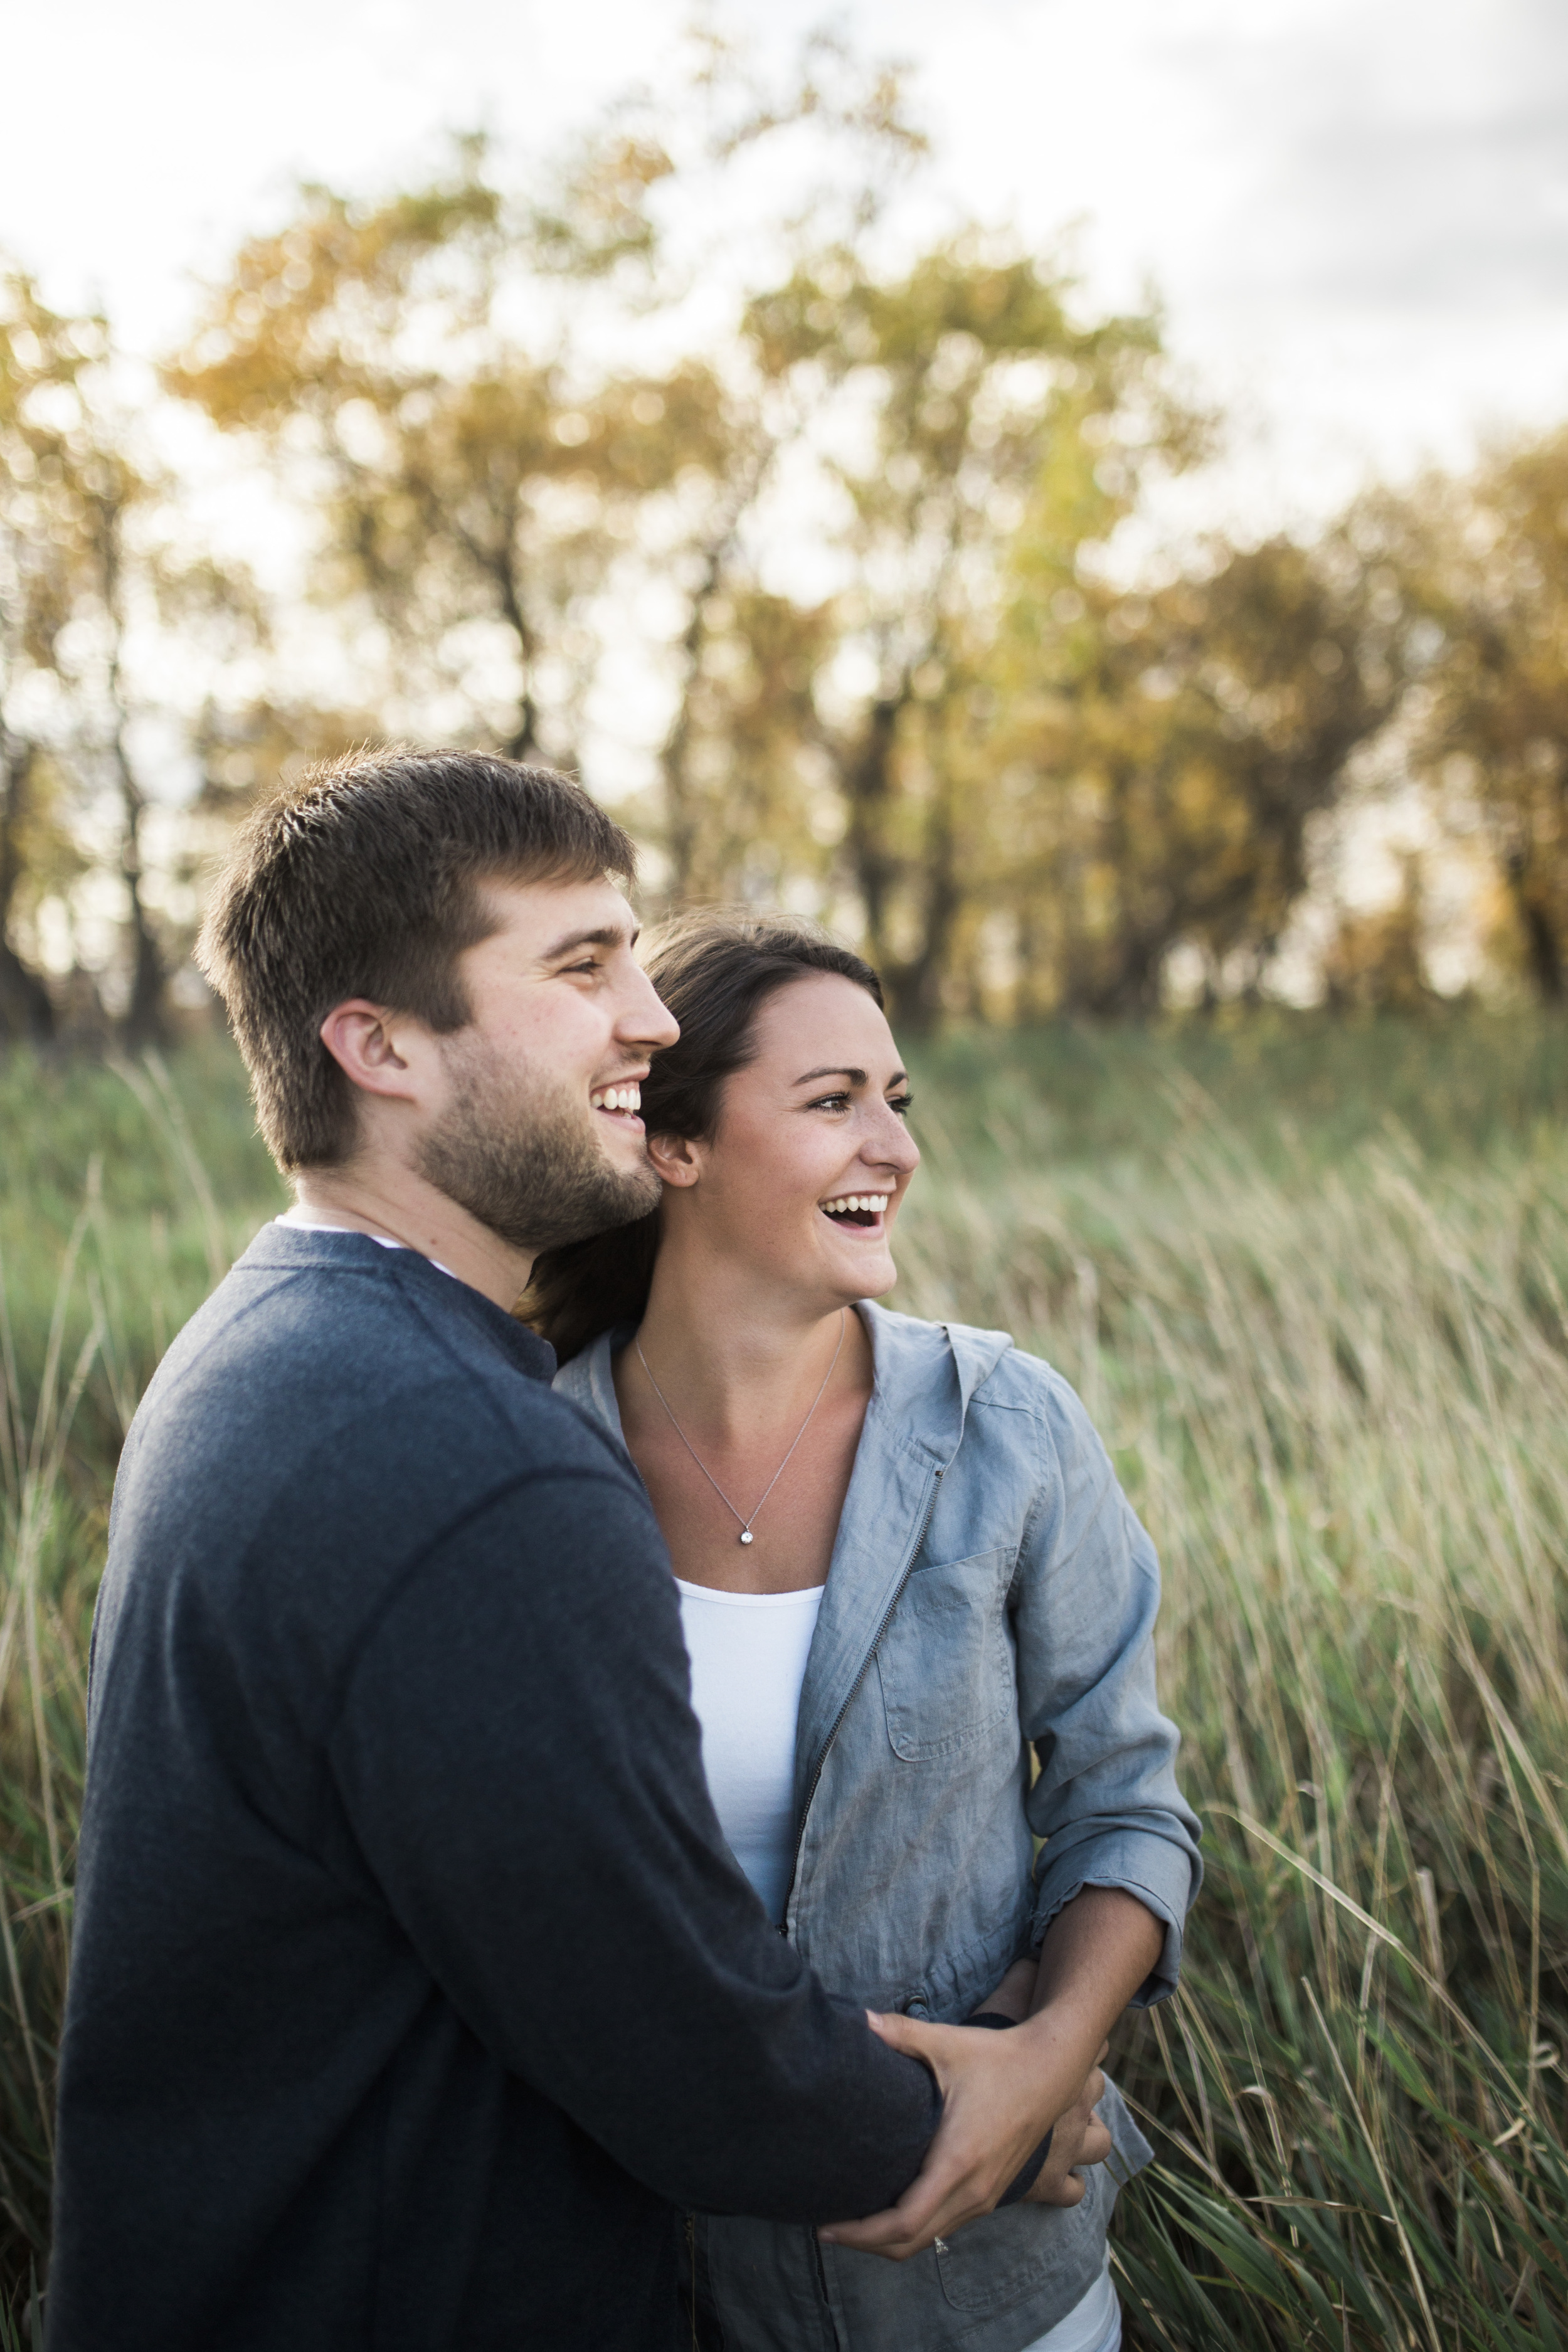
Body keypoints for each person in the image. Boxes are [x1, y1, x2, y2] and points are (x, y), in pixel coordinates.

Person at [46, 752, 1094, 2352]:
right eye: (580, 965)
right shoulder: (484, 1465)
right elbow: (668, 2031)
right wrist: (984, 2118)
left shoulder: (264, 1340)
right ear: (379, 1047)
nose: (651, 1020)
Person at [531, 909, 1204, 2352]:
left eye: (894, 1102)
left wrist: (1045, 2059)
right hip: (643, 2275)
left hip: (985, 2281)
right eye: (831, 1103)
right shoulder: (528, 1468)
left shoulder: (1005, 1427)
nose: (893, 1150)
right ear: (674, 1144)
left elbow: (1124, 1808)